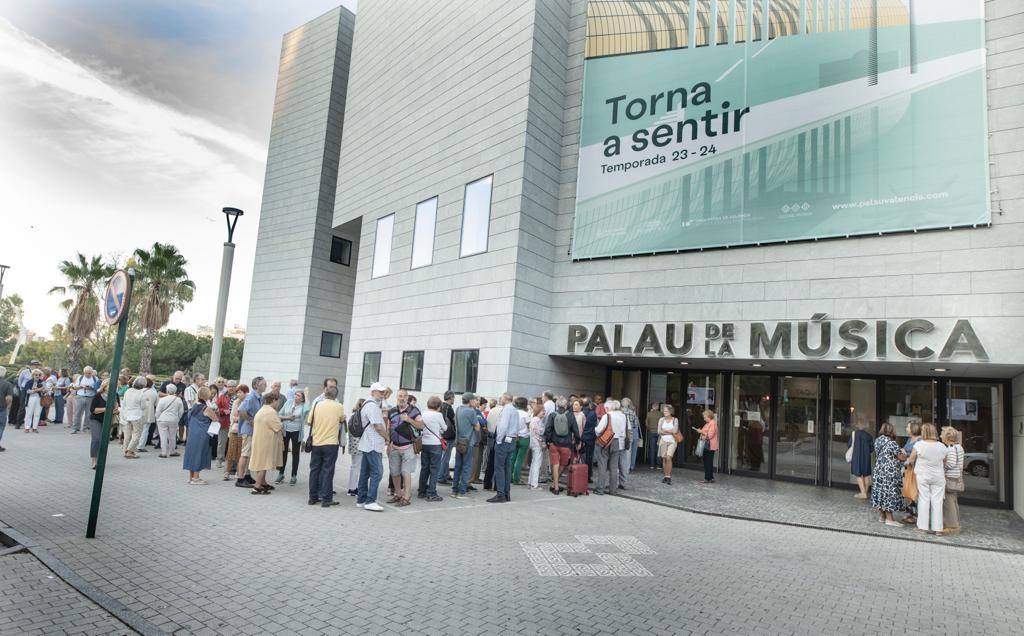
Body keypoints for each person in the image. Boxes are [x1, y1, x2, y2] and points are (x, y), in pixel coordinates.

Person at [306, 385, 346, 507]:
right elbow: (341, 420)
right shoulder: (339, 406)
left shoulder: (317, 404)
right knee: (328, 471)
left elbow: (309, 421)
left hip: (317, 442)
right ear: (336, 395)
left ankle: (312, 497)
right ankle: (326, 498)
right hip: (331, 443)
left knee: (314, 470)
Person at [906, 423, 947, 534]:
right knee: (937, 502)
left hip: (923, 475)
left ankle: (923, 527)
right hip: (938, 476)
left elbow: (911, 460)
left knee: (924, 500)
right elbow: (944, 461)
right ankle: (938, 529)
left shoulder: (919, 445)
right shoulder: (942, 446)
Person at [387, 389, 422, 507]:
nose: (401, 398)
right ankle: (398, 494)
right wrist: (388, 443)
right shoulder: (392, 411)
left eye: (404, 396)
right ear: (397, 397)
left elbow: (421, 425)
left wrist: (409, 420)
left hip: (408, 446)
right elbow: (388, 427)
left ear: (407, 398)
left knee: (406, 472)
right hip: (394, 446)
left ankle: (406, 497)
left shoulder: (414, 411)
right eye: (399, 396)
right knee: (394, 472)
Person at [356, 383, 388, 511]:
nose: (382, 394)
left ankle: (361, 499)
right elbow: (378, 427)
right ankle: (370, 500)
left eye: (383, 392)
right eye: (380, 392)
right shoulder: (372, 406)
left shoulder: (369, 404)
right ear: (373, 392)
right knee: (377, 472)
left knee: (365, 472)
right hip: (373, 444)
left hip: (368, 443)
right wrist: (388, 438)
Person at [247, 392, 283, 493]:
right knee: (263, 464)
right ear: (273, 400)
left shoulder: (262, 409)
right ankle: (257, 487)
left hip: (260, 440)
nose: (278, 403)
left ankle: (263, 483)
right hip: (266, 441)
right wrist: (281, 423)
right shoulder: (271, 412)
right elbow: (277, 426)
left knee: (261, 462)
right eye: (278, 401)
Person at [870, 422, 905, 526]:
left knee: (880, 492)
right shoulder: (892, 443)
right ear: (891, 431)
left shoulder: (877, 440)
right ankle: (890, 519)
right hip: (889, 472)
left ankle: (882, 516)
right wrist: (905, 454)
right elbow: (901, 457)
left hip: (879, 470)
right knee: (889, 493)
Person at [181, 387, 218, 484]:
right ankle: (196, 478)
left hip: (192, 433)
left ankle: (191, 477)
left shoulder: (193, 406)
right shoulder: (206, 408)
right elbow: (215, 419)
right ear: (207, 396)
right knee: (199, 453)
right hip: (202, 434)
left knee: (192, 453)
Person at [544, 397, 581, 495]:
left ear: (557, 405)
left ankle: (555, 487)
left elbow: (547, 429)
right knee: (563, 465)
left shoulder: (552, 415)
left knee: (555, 464)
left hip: (554, 444)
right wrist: (578, 442)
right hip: (566, 444)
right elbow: (576, 430)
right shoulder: (570, 415)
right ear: (565, 405)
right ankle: (555, 484)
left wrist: (549, 441)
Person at [490, 394, 522, 503]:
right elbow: (517, 425)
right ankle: (506, 493)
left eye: (501, 398)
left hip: (504, 440)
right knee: (507, 468)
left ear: (506, 399)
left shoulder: (507, 410)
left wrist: (498, 440)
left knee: (499, 468)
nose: (500, 399)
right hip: (511, 439)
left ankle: (500, 494)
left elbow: (503, 426)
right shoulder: (514, 410)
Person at [235, 376, 266, 489]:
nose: (265, 386)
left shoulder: (259, 397)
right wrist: (250, 420)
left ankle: (247, 475)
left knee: (249, 454)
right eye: (263, 384)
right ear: (257, 385)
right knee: (245, 453)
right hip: (248, 430)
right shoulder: (251, 397)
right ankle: (240, 478)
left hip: (253, 430)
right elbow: (241, 410)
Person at [417, 396, 448, 502]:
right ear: (438, 406)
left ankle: (421, 491)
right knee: (434, 469)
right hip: (435, 444)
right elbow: (445, 428)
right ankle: (431, 493)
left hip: (424, 443)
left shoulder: (423, 413)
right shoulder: (438, 415)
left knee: (424, 468)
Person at [594, 399, 627, 495]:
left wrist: (595, 429)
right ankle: (613, 490)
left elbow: (598, 430)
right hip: (616, 441)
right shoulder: (622, 416)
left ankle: (600, 489)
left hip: (605, 442)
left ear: (607, 408)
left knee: (602, 465)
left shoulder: (606, 416)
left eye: (605, 408)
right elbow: (622, 432)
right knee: (614, 467)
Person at [277, 388, 310, 485]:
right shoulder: (289, 402)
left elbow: (308, 408)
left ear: (302, 399)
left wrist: (307, 395)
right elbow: (280, 414)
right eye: (295, 394)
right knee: (284, 452)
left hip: (296, 431)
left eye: (298, 395)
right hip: (285, 430)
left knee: (295, 453)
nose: (296, 396)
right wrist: (287, 418)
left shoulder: (304, 405)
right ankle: (281, 473)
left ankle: (294, 475)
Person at [451, 392, 480, 499]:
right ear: (470, 401)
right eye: (474, 400)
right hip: (469, 443)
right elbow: (477, 427)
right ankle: (462, 491)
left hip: (459, 441)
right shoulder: (471, 411)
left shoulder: (458, 409)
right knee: (466, 467)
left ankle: (454, 490)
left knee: (458, 466)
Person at [941, 426, 964, 535]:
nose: (940, 436)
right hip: (956, 478)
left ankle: (952, 526)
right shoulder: (959, 447)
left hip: (950, 478)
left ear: (947, 437)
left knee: (948, 503)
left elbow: (950, 463)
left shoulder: (951, 449)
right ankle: (956, 524)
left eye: (942, 434)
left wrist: (942, 464)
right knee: (954, 502)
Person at [88, 380, 115, 469]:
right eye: (109, 386)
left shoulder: (115, 396)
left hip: (108, 420)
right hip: (96, 419)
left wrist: (116, 410)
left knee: (105, 440)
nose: (112, 388)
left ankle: (101, 459)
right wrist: (106, 409)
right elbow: (93, 410)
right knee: (96, 439)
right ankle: (94, 461)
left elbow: (117, 408)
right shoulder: (98, 396)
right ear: (104, 386)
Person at [223, 384, 248, 480]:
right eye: (237, 392)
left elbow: (246, 416)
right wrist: (239, 418)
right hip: (234, 430)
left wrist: (239, 417)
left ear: (245, 393)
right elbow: (232, 417)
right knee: (230, 452)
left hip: (244, 431)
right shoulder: (235, 402)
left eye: (240, 392)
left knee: (240, 453)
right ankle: (227, 472)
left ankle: (239, 471)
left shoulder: (247, 402)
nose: (238, 394)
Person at [119, 376, 147, 458]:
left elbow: (124, 403)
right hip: (137, 415)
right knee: (136, 434)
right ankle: (130, 451)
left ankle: (125, 450)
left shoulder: (128, 391)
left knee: (127, 435)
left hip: (127, 415)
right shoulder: (142, 394)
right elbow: (143, 406)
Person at [901, 421, 923, 524]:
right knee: (908, 491)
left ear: (913, 428)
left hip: (915, 469)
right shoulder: (910, 439)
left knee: (914, 491)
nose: (906, 428)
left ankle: (916, 515)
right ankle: (909, 513)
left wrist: (906, 454)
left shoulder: (920, 440)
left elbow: (916, 455)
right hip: (908, 469)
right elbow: (905, 450)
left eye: (908, 427)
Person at [155, 384, 184, 457]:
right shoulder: (178, 399)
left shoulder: (162, 399)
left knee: (163, 436)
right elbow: (181, 411)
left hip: (162, 419)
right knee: (172, 436)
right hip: (173, 419)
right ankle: (172, 451)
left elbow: (158, 411)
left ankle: (163, 452)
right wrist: (178, 418)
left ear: (167, 391)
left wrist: (157, 418)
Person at [849, 421, 873, 499]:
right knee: (866, 475)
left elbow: (849, 445)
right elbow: (872, 449)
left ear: (857, 425)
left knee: (858, 474)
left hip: (857, 456)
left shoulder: (854, 434)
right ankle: (865, 492)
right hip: (866, 457)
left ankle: (863, 493)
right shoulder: (869, 436)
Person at [437, 391, 457, 485]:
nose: (454, 399)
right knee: (445, 457)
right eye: (453, 397)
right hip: (449, 435)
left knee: (445, 456)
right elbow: (454, 421)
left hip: (442, 434)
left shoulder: (441, 406)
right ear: (450, 398)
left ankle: (446, 475)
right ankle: (441, 477)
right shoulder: (448, 408)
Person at [346, 398, 365, 495]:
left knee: (354, 466)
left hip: (353, 445)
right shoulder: (362, 416)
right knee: (358, 467)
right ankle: (353, 488)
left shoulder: (353, 415)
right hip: (360, 445)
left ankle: (352, 487)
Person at [510, 396, 531, 485]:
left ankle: (509, 477)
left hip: (514, 437)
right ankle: (516, 479)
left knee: (512, 458)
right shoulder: (526, 414)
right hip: (524, 437)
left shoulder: (512, 412)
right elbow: (529, 426)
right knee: (520, 459)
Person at [214, 379, 235, 467]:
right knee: (221, 442)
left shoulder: (238, 397)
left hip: (235, 423)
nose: (231, 388)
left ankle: (231, 461)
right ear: (227, 387)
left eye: (233, 386)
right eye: (229, 386)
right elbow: (216, 408)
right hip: (224, 422)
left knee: (233, 442)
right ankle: (219, 459)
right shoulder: (222, 396)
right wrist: (223, 411)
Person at [527, 399, 546, 489]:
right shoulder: (537, 420)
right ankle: (534, 484)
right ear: (539, 411)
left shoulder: (533, 419)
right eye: (543, 411)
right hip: (537, 444)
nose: (544, 412)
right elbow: (539, 432)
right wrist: (542, 442)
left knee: (533, 463)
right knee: (536, 464)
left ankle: (531, 482)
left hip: (533, 443)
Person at [136, 376, 159, 453]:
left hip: (138, 412)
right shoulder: (154, 392)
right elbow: (157, 404)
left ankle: (135, 444)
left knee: (137, 429)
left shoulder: (139, 391)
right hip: (149, 413)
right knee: (145, 430)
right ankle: (141, 446)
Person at [658, 405, 679, 485]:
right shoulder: (661, 420)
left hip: (672, 441)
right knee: (664, 459)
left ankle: (668, 476)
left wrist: (665, 431)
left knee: (668, 457)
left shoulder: (675, 420)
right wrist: (669, 431)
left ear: (670, 412)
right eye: (664, 411)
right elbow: (659, 431)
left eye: (666, 411)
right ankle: (665, 476)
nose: (664, 412)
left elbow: (675, 431)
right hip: (663, 441)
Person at [698, 409, 718, 484]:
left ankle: (707, 478)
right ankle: (710, 477)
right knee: (708, 462)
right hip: (707, 445)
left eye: (704, 416)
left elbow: (709, 436)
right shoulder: (708, 423)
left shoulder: (712, 423)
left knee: (707, 462)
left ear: (708, 416)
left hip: (709, 446)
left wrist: (701, 432)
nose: (704, 418)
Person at [621, 397, 641, 473]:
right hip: (631, 433)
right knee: (629, 451)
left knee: (620, 451)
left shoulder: (620, 412)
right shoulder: (632, 412)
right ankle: (628, 468)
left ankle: (620, 468)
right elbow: (636, 424)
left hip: (621, 433)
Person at [0, 367, 15, 451]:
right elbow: (9, 398)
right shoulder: (7, 384)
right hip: (1, 408)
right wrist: (8, 408)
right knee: (1, 426)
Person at [645, 402, 662, 467]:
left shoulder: (649, 414)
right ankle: (658, 465)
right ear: (657, 407)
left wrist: (649, 429)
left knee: (652, 448)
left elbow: (646, 424)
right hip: (659, 432)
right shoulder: (661, 414)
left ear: (652, 407)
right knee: (658, 449)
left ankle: (652, 465)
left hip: (651, 432)